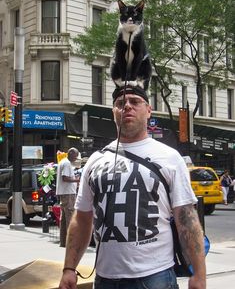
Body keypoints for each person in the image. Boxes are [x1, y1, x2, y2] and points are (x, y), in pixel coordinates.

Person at [59, 85, 206, 289]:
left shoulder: (170, 158)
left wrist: (199, 274)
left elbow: (187, 219)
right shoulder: (95, 160)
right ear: (114, 113)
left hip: (156, 278)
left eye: (135, 102)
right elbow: (82, 219)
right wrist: (69, 268)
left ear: (148, 110)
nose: (127, 106)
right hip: (105, 279)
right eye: (120, 104)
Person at [56, 147, 81, 247]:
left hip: (65, 193)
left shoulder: (63, 162)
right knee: (70, 216)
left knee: (64, 218)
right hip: (68, 193)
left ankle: (63, 242)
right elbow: (65, 178)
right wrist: (77, 180)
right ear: (70, 154)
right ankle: (71, 243)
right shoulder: (66, 163)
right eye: (75, 156)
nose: (76, 158)